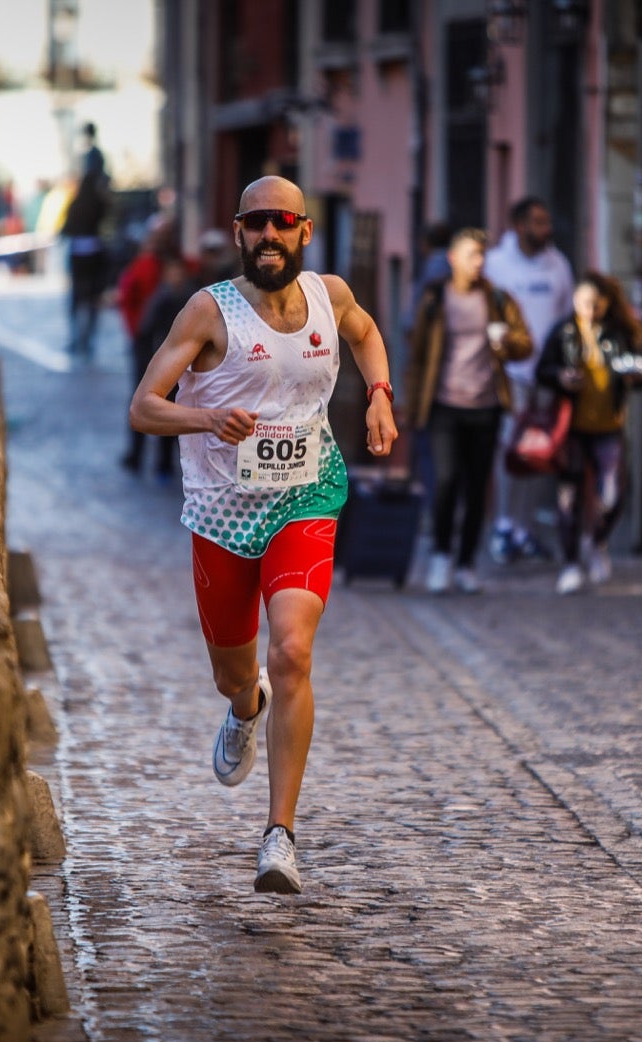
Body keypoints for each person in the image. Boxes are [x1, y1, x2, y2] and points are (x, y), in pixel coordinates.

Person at [127, 176, 398, 894]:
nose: (268, 236)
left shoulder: (329, 297)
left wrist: (378, 395)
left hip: (305, 496)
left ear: (305, 233)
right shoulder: (207, 312)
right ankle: (245, 708)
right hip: (221, 511)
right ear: (240, 233)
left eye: (282, 224)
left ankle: (279, 835)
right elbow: (145, 408)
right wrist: (206, 418)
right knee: (234, 672)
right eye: (255, 224)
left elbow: (367, 335)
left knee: (293, 649)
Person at [405, 228, 532, 593]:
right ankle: (442, 555)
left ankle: (466, 563)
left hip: (486, 406)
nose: (479, 263)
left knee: (477, 488)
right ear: (453, 259)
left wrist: (506, 341)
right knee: (445, 481)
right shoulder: (435, 298)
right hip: (443, 404)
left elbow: (526, 344)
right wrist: (413, 410)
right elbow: (417, 357)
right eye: (472, 255)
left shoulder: (497, 299)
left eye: (482, 256)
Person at [535, 271, 642, 594]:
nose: (590, 310)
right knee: (568, 497)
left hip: (608, 426)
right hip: (571, 427)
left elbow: (638, 369)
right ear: (574, 301)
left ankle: (596, 541)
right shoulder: (564, 332)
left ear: (606, 304)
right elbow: (542, 370)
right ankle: (570, 564)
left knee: (612, 495)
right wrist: (561, 376)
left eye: (596, 304)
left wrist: (634, 376)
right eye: (584, 303)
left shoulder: (617, 334)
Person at [483, 196, 575, 564]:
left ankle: (526, 528)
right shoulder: (496, 266)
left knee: (540, 451)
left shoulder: (559, 266)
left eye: (547, 222)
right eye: (537, 222)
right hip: (511, 375)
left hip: (546, 375)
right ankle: (504, 524)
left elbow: (567, 317)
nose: (545, 229)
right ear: (519, 225)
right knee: (509, 449)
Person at [124, 252, 196, 479]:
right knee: (146, 408)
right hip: (159, 364)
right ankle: (136, 458)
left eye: (179, 272)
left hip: (181, 367)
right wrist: (148, 366)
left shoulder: (190, 299)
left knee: (172, 414)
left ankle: (165, 465)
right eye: (172, 272)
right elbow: (145, 333)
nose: (176, 276)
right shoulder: (160, 298)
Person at [62, 166, 110, 358]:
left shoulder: (76, 203)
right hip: (95, 255)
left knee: (76, 298)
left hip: (77, 255)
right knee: (92, 299)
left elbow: (67, 228)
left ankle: (76, 339)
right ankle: (88, 339)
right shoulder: (101, 204)